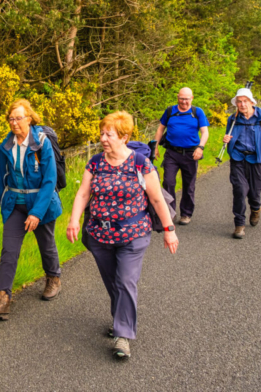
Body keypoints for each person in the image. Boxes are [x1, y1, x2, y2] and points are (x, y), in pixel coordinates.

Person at [66, 111, 179, 359]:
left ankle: (123, 334)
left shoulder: (140, 163)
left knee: (126, 281)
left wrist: (169, 230)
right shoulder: (95, 162)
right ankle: (121, 319)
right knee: (113, 282)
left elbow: (157, 198)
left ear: (124, 136)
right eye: (102, 133)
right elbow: (84, 194)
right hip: (99, 235)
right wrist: (74, 220)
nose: (103, 138)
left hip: (133, 234)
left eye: (109, 134)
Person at [0, 99, 63, 320]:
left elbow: (49, 181)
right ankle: (3, 299)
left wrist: (37, 213)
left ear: (29, 119)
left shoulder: (42, 143)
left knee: (46, 245)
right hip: (15, 204)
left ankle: (53, 277)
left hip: (42, 203)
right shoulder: (7, 145)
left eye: (18, 118)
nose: (14, 122)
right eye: (11, 119)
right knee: (9, 250)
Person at [223, 88, 261, 239]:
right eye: (239, 101)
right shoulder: (233, 119)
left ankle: (255, 208)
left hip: (256, 159)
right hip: (237, 158)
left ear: (252, 102)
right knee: (239, 190)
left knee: (254, 192)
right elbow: (229, 136)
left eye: (245, 101)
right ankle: (239, 225)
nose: (242, 104)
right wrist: (226, 139)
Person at [154, 88, 210, 225]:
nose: (184, 101)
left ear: (192, 98)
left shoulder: (197, 112)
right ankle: (169, 213)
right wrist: (155, 147)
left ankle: (186, 213)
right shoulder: (169, 111)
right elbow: (160, 128)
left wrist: (200, 147)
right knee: (168, 182)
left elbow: (205, 132)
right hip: (172, 153)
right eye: (181, 98)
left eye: (187, 99)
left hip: (191, 154)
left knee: (188, 185)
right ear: (178, 97)